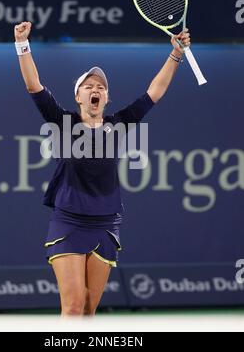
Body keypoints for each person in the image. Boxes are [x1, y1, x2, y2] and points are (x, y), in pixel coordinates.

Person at [14, 21, 190, 316]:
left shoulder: (119, 124)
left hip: (105, 224)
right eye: (88, 86)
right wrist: (22, 44)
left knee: (87, 310)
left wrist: (175, 55)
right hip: (68, 220)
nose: (95, 89)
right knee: (71, 308)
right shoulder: (63, 122)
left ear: (106, 99)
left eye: (101, 88)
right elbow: (34, 86)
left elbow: (154, 93)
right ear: (78, 97)